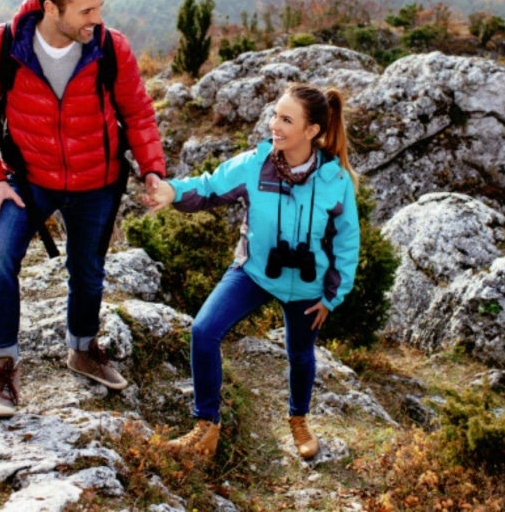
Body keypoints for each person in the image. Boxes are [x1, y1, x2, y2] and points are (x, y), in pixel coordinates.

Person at [0, 0, 166, 420]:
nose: (97, 18)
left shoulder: (111, 47)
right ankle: (2, 374)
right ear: (51, 8)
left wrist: (153, 169)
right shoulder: (3, 46)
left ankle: (83, 349)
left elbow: (138, 111)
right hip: (27, 180)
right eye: (86, 10)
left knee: (88, 271)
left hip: (98, 180)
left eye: (99, 6)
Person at [144, 83, 360, 459]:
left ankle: (298, 419)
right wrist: (172, 192)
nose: (274, 124)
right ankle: (206, 426)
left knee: (301, 353)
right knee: (203, 331)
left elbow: (346, 244)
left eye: (286, 119)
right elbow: (209, 187)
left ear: (311, 131)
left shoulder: (335, 181)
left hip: (308, 286)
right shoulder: (254, 165)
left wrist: (331, 296)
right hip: (255, 271)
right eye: (275, 114)